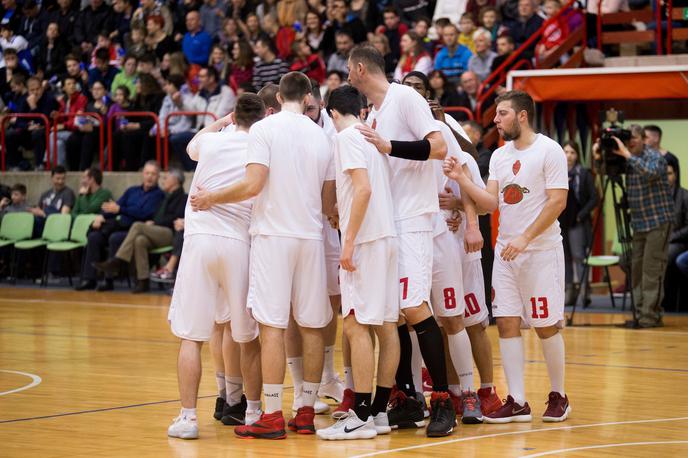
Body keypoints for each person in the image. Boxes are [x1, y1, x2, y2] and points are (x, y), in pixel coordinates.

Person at [190, 72, 335, 440]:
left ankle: (271, 412)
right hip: (311, 236)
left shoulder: (264, 131)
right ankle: (305, 409)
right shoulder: (321, 135)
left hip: (273, 235)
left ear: (278, 97)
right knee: (312, 324)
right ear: (306, 98)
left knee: (272, 326)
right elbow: (328, 201)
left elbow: (253, 184)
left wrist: (212, 198)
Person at [347, 44, 457, 437]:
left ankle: (443, 399)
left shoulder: (405, 96)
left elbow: (438, 147)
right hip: (386, 223)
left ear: (360, 69)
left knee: (413, 306)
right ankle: (406, 398)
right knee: (391, 314)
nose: (346, 74)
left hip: (412, 219)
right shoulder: (374, 113)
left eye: (348, 68)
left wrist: (388, 145)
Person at [445, 90, 571, 423]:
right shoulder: (500, 156)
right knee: (506, 323)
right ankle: (517, 400)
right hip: (505, 254)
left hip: (541, 252)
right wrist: (461, 180)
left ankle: (559, 395)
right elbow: (490, 203)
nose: (496, 121)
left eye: (502, 114)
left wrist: (526, 238)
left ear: (522, 115)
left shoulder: (549, 150)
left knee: (545, 325)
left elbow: (558, 202)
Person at [401, 71, 489, 423]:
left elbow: (465, 168)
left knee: (458, 318)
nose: (411, 95)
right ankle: (414, 396)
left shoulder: (444, 127)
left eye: (417, 89)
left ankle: (469, 393)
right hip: (407, 233)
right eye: (405, 89)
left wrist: (466, 219)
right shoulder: (392, 126)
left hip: (442, 235)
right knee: (410, 321)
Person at [317, 85, 400, 440]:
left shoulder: (346, 137)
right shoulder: (370, 136)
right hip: (386, 236)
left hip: (365, 240)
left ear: (332, 113)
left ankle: (361, 414)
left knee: (354, 325)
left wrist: (347, 242)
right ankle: (379, 411)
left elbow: (362, 189)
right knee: (384, 325)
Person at [593, 125, 673, 328]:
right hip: (638, 224)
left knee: (651, 271)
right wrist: (599, 157)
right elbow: (606, 174)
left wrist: (628, 154)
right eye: (628, 139)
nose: (630, 142)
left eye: (634, 138)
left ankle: (650, 316)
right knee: (636, 270)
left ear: (643, 139)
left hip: (658, 222)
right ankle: (639, 314)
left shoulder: (653, 156)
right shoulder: (626, 159)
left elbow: (651, 172)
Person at [76, 161, 165, 291]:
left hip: (136, 230)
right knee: (94, 237)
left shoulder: (159, 195)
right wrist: (101, 216)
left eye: (153, 174)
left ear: (158, 177)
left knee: (115, 238)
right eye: (147, 173)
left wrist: (121, 209)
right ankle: (89, 279)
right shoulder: (131, 191)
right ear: (142, 174)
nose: (149, 176)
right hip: (120, 225)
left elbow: (145, 213)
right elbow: (114, 207)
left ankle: (108, 280)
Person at [94, 169, 187, 293]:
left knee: (138, 225)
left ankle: (118, 260)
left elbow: (175, 218)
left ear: (175, 181)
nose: (163, 181)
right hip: (157, 231)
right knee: (140, 240)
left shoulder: (183, 197)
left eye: (166, 178)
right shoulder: (166, 196)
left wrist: (154, 222)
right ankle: (143, 281)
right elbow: (156, 214)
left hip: (170, 233)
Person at [558, 141, 597, 306]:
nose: (569, 156)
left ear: (577, 155)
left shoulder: (584, 173)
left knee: (579, 256)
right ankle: (569, 293)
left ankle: (584, 292)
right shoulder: (556, 172)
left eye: (572, 152)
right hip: (560, 222)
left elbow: (595, 198)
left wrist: (581, 215)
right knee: (564, 258)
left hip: (577, 222)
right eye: (566, 152)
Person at [664, 160, 688, 311]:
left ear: (675, 175)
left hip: (679, 241)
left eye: (669, 174)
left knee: (665, 255)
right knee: (632, 257)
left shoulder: (684, 196)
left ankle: (667, 304)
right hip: (658, 239)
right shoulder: (656, 197)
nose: (666, 177)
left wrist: (672, 237)